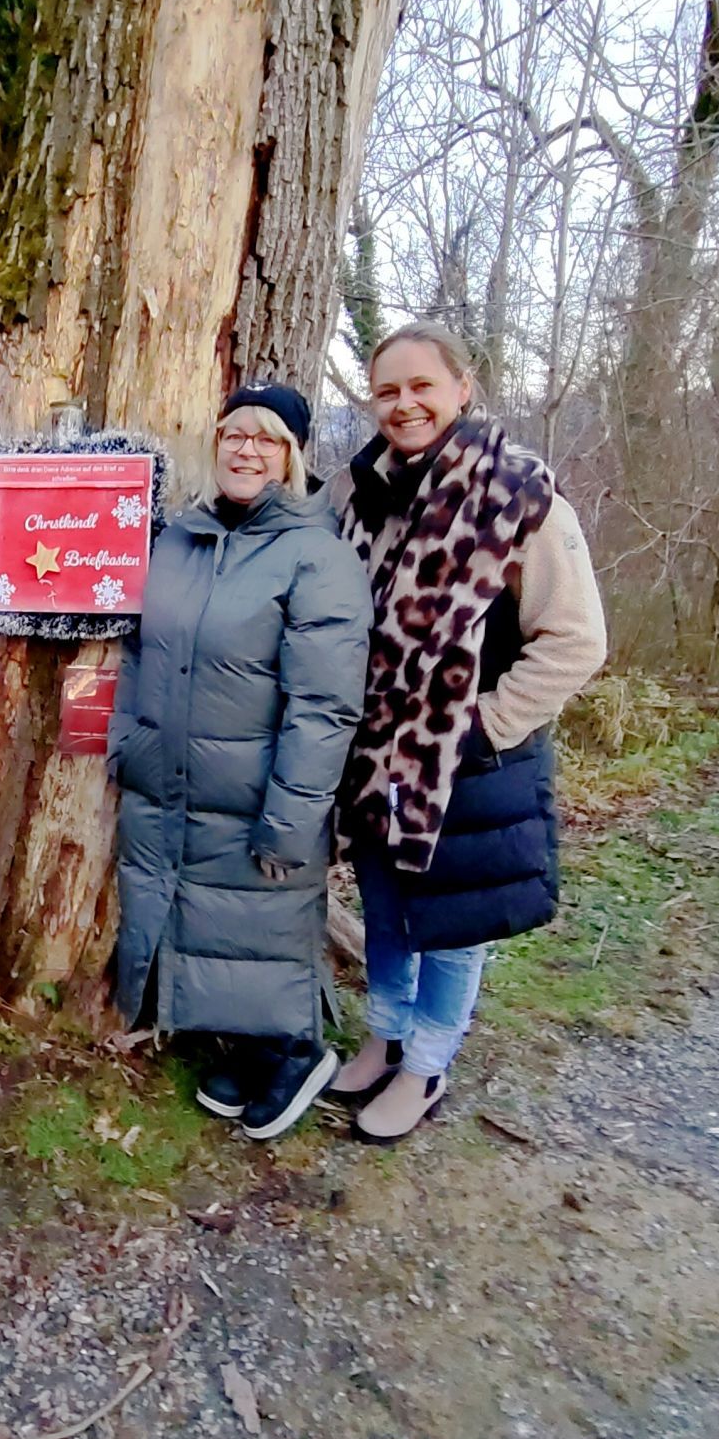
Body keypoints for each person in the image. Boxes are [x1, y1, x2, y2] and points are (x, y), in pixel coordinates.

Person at [322, 321, 606, 1141]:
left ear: (462, 389)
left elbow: (577, 640)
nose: (404, 404)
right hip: (375, 754)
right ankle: (384, 1039)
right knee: (385, 906)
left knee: (452, 925)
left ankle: (426, 1068)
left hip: (470, 763)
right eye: (387, 391)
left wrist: (484, 726)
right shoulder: (359, 492)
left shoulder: (520, 494)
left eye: (421, 387)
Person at [112, 384, 370, 1141]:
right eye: (233, 435)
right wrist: (128, 738)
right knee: (210, 918)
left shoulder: (316, 554)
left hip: (259, 789)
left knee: (265, 917)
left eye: (266, 439)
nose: (246, 450)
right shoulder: (180, 540)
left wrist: (293, 818)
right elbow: (134, 648)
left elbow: (324, 706)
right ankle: (248, 1045)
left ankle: (297, 1049)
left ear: (291, 456)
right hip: (174, 779)